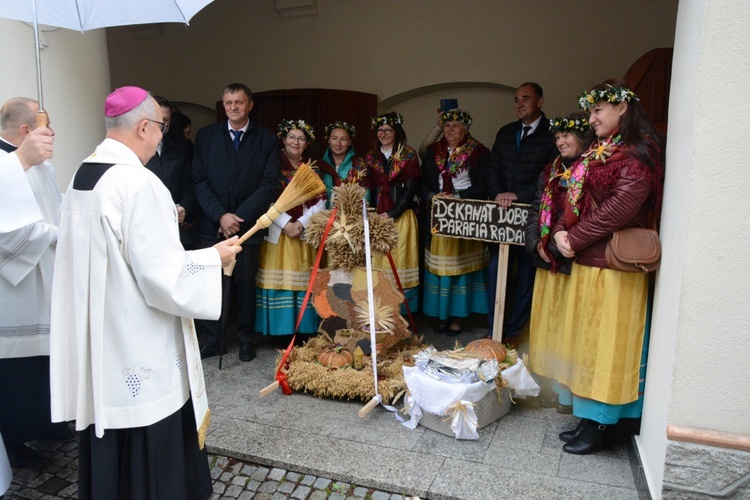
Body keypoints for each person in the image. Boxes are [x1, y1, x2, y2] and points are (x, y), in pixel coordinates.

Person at [49, 87, 242, 498]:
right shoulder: (140, 183)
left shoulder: (83, 172)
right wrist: (213, 258)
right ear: (142, 127)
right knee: (150, 440)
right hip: (138, 342)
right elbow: (162, 277)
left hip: (101, 340)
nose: (161, 137)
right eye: (160, 128)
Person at [552, 79, 664, 455]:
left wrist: (574, 238)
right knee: (589, 344)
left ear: (622, 109)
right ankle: (588, 417)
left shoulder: (637, 153)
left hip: (615, 268)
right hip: (590, 261)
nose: (591, 117)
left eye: (598, 110)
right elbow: (572, 196)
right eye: (590, 110)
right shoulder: (602, 150)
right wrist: (557, 232)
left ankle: (603, 423)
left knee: (610, 345)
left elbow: (621, 207)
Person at [0, 98, 75, 469]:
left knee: (46, 365)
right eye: (46, 127)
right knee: (17, 377)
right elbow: (5, 236)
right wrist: (53, 234)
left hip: (47, 280)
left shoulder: (39, 166)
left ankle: (49, 424)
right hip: (17, 294)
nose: (53, 134)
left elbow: (58, 202)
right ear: (26, 131)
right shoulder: (4, 167)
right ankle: (13, 443)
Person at [192, 83, 280, 362]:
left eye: (239, 102)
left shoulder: (266, 139)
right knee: (209, 284)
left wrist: (237, 218)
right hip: (212, 225)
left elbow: (268, 184)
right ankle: (213, 340)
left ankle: (245, 340)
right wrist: (220, 214)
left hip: (248, 227)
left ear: (250, 105)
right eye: (228, 103)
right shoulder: (206, 137)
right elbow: (198, 180)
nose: (233, 107)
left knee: (244, 286)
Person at [524, 113, 593, 412]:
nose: (561, 141)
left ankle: (565, 392)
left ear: (583, 138)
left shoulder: (590, 169)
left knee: (567, 326)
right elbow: (536, 209)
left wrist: (554, 244)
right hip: (545, 260)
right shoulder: (550, 170)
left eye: (567, 136)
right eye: (557, 137)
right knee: (545, 325)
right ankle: (544, 384)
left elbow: (587, 217)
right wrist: (534, 243)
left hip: (571, 261)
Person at [486, 82, 557, 346]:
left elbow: (548, 175)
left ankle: (514, 330)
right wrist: (498, 194)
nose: (519, 103)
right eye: (516, 99)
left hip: (531, 215)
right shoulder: (505, 132)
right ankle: (494, 329)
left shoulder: (552, 135)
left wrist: (519, 195)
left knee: (526, 275)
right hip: (502, 215)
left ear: (540, 102)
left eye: (525, 98)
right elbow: (492, 168)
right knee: (495, 271)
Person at [419, 109, 490, 335]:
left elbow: (484, 187)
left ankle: (457, 318)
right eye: (447, 125)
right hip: (438, 213)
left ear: (466, 129)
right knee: (440, 268)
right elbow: (421, 182)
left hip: (464, 214)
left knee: (460, 268)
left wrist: (458, 197)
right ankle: (441, 316)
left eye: (456, 125)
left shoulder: (478, 153)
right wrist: (432, 196)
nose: (450, 130)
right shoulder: (433, 151)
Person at [255, 119, 324, 337]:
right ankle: (280, 330)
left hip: (302, 233)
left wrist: (301, 224)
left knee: (303, 279)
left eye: (301, 138)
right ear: (283, 140)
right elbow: (265, 197)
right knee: (280, 279)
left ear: (307, 143)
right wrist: (285, 223)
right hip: (279, 233)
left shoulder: (311, 169)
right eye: (292, 137)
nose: (296, 142)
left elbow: (321, 200)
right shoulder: (271, 165)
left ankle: (303, 329)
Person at [359, 112, 421, 312]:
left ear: (397, 131)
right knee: (378, 263)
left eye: (388, 129)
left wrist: (392, 213)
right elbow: (366, 188)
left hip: (401, 217)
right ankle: (378, 313)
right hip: (377, 217)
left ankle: (402, 315)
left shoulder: (409, 155)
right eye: (380, 130)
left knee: (400, 263)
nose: (383, 133)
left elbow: (410, 190)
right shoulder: (370, 157)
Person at [144, 96, 195, 248]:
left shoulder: (177, 147)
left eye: (167, 120)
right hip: (146, 227)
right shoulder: (136, 149)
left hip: (175, 228)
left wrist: (184, 207)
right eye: (160, 119)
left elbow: (187, 185)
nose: (164, 124)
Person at [317, 120, 363, 208]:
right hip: (322, 217)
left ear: (349, 142)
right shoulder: (319, 166)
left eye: (343, 139)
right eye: (334, 138)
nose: (338, 143)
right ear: (329, 140)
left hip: (350, 218)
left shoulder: (358, 165)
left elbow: (364, 196)